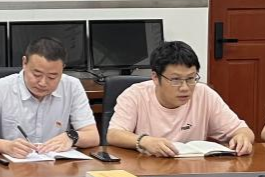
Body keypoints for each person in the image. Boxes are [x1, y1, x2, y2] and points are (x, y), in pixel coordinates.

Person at [107, 40, 253, 155]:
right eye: (175, 80)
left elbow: (242, 130)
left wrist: (242, 137)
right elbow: (113, 134)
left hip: (192, 171)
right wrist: (144, 141)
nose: (185, 88)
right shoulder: (135, 95)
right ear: (155, 77)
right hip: (147, 168)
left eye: (191, 78)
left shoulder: (204, 94)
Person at [0, 37, 98, 156]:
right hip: (11, 167)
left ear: (62, 69)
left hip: (56, 167)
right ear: (24, 63)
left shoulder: (72, 86)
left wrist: (72, 136)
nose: (43, 83)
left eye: (52, 77)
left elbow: (93, 136)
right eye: (37, 75)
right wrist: (6, 146)